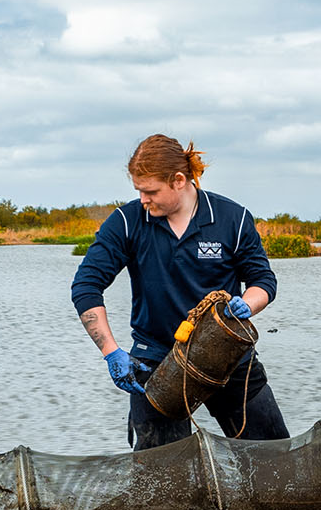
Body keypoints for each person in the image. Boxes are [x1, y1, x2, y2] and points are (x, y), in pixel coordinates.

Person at [71, 134, 290, 450]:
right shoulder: (127, 222)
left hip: (227, 356)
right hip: (156, 361)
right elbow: (86, 286)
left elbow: (263, 280)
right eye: (139, 191)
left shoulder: (232, 218)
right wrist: (111, 351)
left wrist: (247, 304)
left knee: (274, 457)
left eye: (151, 192)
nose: (143, 200)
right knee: (160, 472)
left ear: (178, 180)